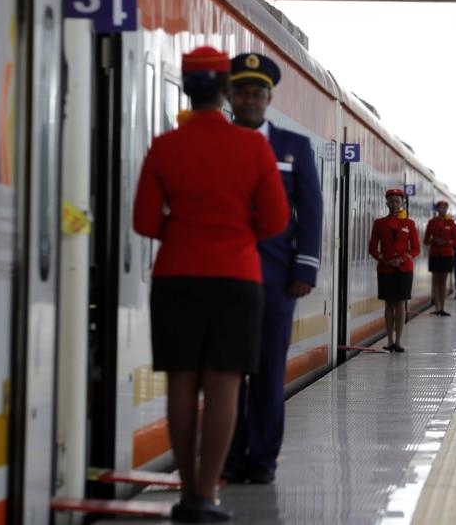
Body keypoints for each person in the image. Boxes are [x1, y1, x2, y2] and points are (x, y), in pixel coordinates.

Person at [133, 46, 289, 522]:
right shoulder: (253, 148)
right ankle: (206, 494)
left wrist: (181, 233)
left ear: (186, 87)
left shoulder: (165, 146)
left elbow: (143, 221)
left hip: (176, 276)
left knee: (181, 381)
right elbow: (278, 220)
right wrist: (236, 236)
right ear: (224, 89)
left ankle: (186, 495)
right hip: (236, 278)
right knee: (224, 385)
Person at [224, 53, 324, 486]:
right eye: (242, 91)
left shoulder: (293, 146)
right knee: (227, 374)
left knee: (266, 372)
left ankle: (262, 459)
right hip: (223, 278)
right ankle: (228, 456)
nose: (249, 99)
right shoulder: (216, 142)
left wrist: (306, 265)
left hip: (277, 278)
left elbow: (312, 208)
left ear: (268, 98)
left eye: (257, 93)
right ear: (231, 96)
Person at [369, 189, 421, 352]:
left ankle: (398, 341)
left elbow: (416, 248)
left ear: (402, 203)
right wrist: (383, 258)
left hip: (404, 269)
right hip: (385, 269)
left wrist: (403, 258)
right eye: (391, 201)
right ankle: (390, 340)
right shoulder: (379, 223)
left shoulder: (409, 224)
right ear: (386, 203)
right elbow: (372, 248)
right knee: (388, 304)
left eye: (397, 201)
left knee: (400, 304)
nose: (394, 204)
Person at [424, 200, 456, 316]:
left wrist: (447, 241)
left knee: (443, 281)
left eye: (445, 208)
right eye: (441, 208)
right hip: (435, 254)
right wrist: (433, 240)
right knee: (435, 281)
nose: (443, 210)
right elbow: (426, 240)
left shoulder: (451, 223)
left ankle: (442, 308)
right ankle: (436, 307)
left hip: (446, 255)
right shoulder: (432, 222)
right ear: (437, 209)